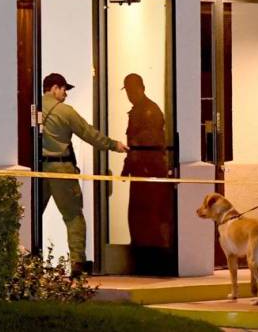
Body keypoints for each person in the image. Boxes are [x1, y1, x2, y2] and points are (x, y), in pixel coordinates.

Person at [40, 73, 128, 278]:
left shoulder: (33, 108)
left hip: (39, 171)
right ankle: (77, 264)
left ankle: (24, 261)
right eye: (63, 89)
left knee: (31, 217)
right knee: (73, 217)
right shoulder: (65, 111)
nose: (65, 94)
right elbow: (88, 133)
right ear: (54, 88)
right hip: (62, 170)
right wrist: (113, 145)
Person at [120, 74, 175, 274]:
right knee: (138, 218)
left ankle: (152, 263)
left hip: (150, 173)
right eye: (127, 91)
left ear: (141, 88)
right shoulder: (139, 110)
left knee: (149, 218)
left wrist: (135, 162)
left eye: (131, 90)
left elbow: (146, 143)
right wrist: (128, 166)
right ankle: (142, 260)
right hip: (141, 172)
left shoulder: (149, 111)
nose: (129, 95)